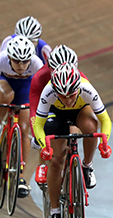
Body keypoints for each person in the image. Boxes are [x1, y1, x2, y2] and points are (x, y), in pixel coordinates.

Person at [33, 62, 112, 218]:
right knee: (56, 160)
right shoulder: (49, 91)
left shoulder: (87, 88)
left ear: (78, 88)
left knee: (91, 127)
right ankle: (55, 212)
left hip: (80, 111)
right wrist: (43, 145)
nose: (68, 99)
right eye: (63, 95)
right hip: (56, 114)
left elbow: (105, 120)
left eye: (71, 94)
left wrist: (105, 142)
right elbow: (38, 126)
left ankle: (87, 166)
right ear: (55, 90)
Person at [0, 35, 44, 198]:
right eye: (17, 61)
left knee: (25, 129)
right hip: (5, 84)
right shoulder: (0, 59)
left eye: (25, 61)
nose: (21, 65)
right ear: (9, 57)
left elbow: (43, 95)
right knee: (6, 96)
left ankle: (20, 176)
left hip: (25, 88)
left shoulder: (37, 63)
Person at [28, 45, 88, 186]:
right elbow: (34, 112)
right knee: (46, 133)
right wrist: (38, 137)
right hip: (50, 107)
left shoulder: (80, 77)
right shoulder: (40, 78)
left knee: (73, 135)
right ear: (50, 68)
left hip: (70, 107)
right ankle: (42, 164)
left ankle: (74, 160)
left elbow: (89, 105)